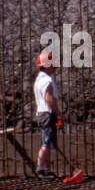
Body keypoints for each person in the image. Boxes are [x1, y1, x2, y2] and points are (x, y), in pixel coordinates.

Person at [33, 51, 63, 179]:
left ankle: (46, 169)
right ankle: (40, 169)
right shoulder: (47, 80)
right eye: (52, 65)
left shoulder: (38, 80)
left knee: (48, 142)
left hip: (41, 113)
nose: (54, 68)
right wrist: (59, 114)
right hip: (47, 114)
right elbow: (49, 99)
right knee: (46, 143)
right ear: (46, 65)